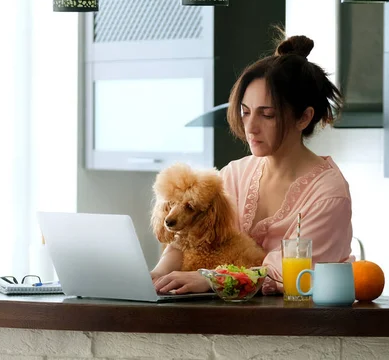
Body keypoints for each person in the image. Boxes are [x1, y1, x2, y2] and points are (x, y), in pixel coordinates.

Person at [151, 33, 353, 295]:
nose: (251, 127)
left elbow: (291, 277)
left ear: (304, 117)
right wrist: (156, 275)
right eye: (245, 112)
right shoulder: (235, 174)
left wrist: (212, 279)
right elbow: (188, 238)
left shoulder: (328, 195)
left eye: (267, 114)